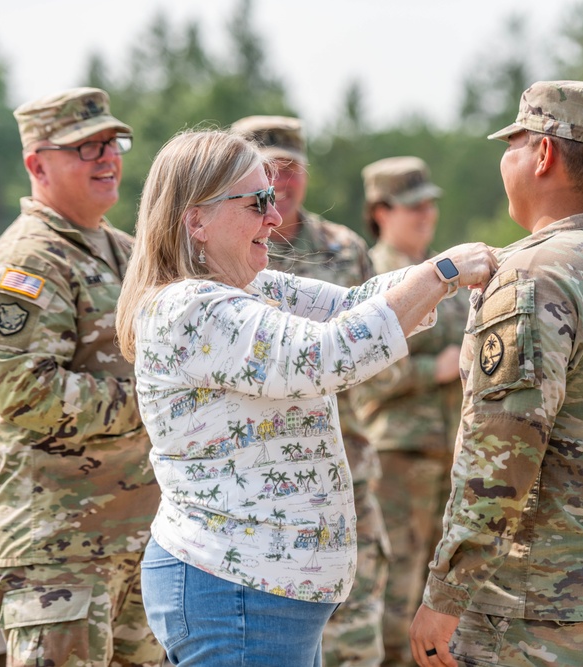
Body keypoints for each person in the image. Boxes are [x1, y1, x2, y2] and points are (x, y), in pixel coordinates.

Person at [113, 128, 497, 667]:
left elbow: (359, 303)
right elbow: (325, 355)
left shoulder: (249, 287)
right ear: (196, 219)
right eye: (256, 202)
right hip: (236, 595)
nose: (274, 217)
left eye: (271, 199)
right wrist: (444, 272)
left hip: (257, 595)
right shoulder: (189, 309)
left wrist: (469, 270)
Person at [408, 80, 583, 667]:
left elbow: (500, 456)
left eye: (514, 143)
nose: (505, 159)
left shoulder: (533, 275)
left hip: (533, 607)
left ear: (544, 154)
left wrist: (446, 595)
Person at [0, 87, 163, 667]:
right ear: (36, 164)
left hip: (140, 543)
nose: (106, 158)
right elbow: (27, 394)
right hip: (60, 553)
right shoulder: (27, 264)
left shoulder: (129, 254)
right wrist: (156, 400)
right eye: (84, 147)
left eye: (111, 142)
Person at [229, 114, 388, 667]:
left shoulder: (344, 248)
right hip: (259, 475)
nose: (282, 182)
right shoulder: (222, 254)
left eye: (291, 169)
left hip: (345, 461)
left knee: (353, 634)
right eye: (268, 170)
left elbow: (379, 349)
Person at [348, 156, 469, 666]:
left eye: (429, 204)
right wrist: (431, 370)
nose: (425, 215)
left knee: (446, 600)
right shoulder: (370, 278)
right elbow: (355, 372)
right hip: (396, 460)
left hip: (453, 457)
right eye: (410, 206)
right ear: (380, 211)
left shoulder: (455, 274)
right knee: (398, 597)